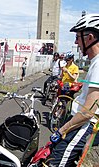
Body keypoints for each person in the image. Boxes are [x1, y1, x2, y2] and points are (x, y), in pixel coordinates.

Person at [48, 14, 99, 166]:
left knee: (54, 163)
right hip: (81, 122)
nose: (76, 42)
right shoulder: (94, 62)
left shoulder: (98, 64)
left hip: (85, 125)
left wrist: (61, 130)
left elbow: (88, 111)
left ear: (89, 37)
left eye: (78, 37)